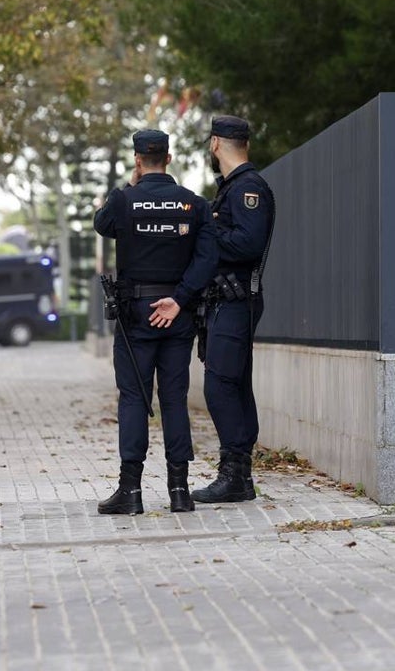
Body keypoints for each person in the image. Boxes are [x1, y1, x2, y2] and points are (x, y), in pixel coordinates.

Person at [93, 129, 218, 514]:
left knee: (134, 399)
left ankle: (130, 493)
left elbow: (102, 224)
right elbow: (207, 259)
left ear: (137, 159)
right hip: (177, 316)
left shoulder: (123, 201)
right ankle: (179, 492)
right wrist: (179, 300)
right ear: (169, 157)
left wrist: (131, 186)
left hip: (135, 317)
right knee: (174, 400)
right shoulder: (193, 205)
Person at [193, 115, 276, 504]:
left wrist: (205, 234)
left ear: (215, 145)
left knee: (221, 384)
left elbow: (247, 244)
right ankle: (239, 476)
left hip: (237, 298)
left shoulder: (248, 188)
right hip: (225, 300)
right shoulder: (230, 188)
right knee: (234, 383)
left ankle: (234, 475)